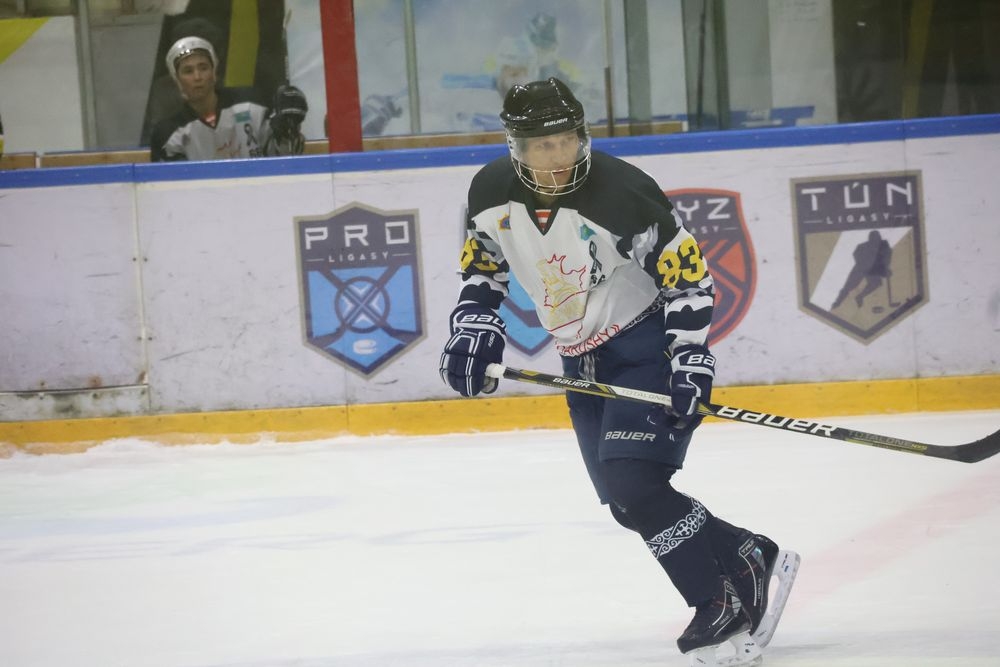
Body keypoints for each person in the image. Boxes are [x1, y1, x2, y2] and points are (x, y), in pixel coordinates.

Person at [439, 78, 800, 666]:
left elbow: (688, 278)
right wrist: (473, 324)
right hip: (578, 355)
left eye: (566, 140)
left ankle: (716, 605)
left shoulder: (624, 192)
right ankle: (746, 554)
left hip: (644, 344)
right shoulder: (489, 192)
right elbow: (483, 269)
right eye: (542, 145)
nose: (558, 156)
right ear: (516, 147)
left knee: (637, 486)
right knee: (626, 503)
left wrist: (689, 356)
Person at [150, 36, 308, 162]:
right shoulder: (167, 134)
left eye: (203, 68)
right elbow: (172, 185)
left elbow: (285, 160)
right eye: (188, 71)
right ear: (177, 80)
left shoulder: (251, 105)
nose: (197, 77)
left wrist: (288, 129)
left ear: (214, 73)